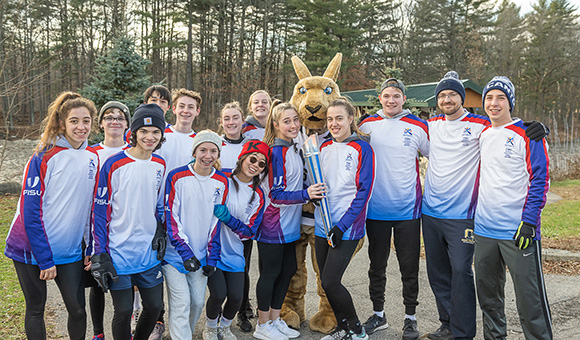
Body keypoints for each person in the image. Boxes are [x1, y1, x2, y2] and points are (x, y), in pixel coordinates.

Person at [5, 92, 98, 340]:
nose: (81, 127)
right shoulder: (42, 156)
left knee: (77, 310)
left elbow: (90, 209)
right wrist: (45, 260)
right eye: (74, 121)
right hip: (30, 249)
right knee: (36, 309)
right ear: (62, 123)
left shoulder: (93, 157)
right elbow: (29, 212)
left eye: (86, 121)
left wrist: (90, 246)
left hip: (68, 251)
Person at [474, 76, 552, 340]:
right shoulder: (483, 133)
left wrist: (529, 222)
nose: (494, 104)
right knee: (488, 297)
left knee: (530, 302)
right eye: (489, 98)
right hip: (484, 230)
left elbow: (540, 179)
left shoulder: (528, 135)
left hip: (518, 231)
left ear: (511, 103)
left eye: (501, 98)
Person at [358, 78, 429, 340]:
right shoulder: (366, 126)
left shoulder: (418, 126)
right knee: (376, 266)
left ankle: (410, 318)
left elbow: (440, 156)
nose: (391, 100)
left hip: (408, 211)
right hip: (375, 210)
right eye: (386, 95)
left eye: (396, 96)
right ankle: (378, 315)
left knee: (408, 267)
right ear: (380, 98)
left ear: (403, 98)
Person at [91, 103, 167, 340]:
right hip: (118, 252)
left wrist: (161, 231)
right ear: (133, 133)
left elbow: (157, 206)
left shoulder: (160, 164)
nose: (149, 137)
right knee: (123, 311)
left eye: (155, 132)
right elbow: (99, 211)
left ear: (162, 135)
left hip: (147, 253)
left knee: (154, 307)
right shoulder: (113, 164)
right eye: (144, 131)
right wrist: (99, 253)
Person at [253, 102, 325, 340]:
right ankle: (262, 325)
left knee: (289, 269)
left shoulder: (295, 147)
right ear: (275, 125)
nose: (293, 125)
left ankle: (275, 319)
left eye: (295, 119)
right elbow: (276, 194)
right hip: (273, 224)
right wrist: (307, 194)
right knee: (271, 272)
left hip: (290, 223)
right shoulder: (275, 152)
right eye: (287, 121)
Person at [316, 99, 375, 340]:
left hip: (346, 227)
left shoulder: (363, 148)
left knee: (331, 281)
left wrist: (341, 226)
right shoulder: (323, 147)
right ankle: (343, 327)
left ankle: (357, 329)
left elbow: (364, 193)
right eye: (330, 119)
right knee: (324, 281)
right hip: (323, 225)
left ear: (351, 118)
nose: (334, 123)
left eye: (339, 118)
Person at [163, 130, 228, 340]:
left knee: (198, 302)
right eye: (203, 150)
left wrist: (212, 258)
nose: (207, 155)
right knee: (181, 302)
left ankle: (184, 334)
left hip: (200, 257)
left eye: (213, 151)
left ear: (218, 154)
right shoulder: (177, 176)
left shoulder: (221, 182)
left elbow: (216, 223)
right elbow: (171, 218)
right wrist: (184, 251)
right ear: (194, 151)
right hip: (175, 255)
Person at [205, 140, 270, 340]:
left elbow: (249, 232)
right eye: (253, 159)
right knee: (218, 294)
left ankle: (224, 326)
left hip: (234, 251)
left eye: (261, 164)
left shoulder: (258, 193)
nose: (255, 165)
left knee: (236, 297)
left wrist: (230, 220)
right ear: (242, 158)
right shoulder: (221, 177)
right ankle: (210, 328)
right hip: (212, 249)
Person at [87, 100, 131, 340]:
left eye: (120, 117)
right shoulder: (91, 152)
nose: (115, 121)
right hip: (94, 226)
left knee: (126, 283)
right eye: (109, 117)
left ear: (127, 123)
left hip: (123, 227)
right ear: (101, 122)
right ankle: (98, 333)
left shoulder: (134, 152)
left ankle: (127, 328)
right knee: (97, 282)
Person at [156, 88, 202, 173]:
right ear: (174, 109)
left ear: (197, 111)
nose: (185, 111)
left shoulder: (199, 142)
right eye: (181, 106)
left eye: (191, 107)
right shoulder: (159, 135)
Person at [220, 102, 250, 175]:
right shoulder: (215, 146)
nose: (231, 122)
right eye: (226, 119)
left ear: (243, 120)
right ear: (222, 122)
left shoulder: (251, 146)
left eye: (235, 118)